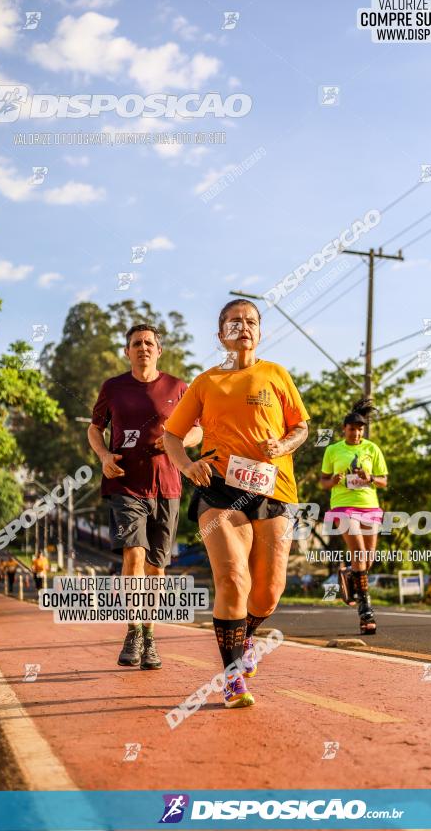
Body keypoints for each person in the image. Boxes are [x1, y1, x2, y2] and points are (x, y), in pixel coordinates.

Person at [163, 299, 309, 709]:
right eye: (233, 322)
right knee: (232, 579)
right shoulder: (206, 382)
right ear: (220, 333)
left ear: (260, 332)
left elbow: (301, 427)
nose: (243, 327)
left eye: (250, 322)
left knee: (267, 593)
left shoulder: (277, 375)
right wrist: (188, 467)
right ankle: (231, 679)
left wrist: (282, 443)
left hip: (274, 490)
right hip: (219, 490)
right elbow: (173, 436)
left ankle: (245, 633)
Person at [88, 324, 202, 671]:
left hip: (167, 485)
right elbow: (95, 427)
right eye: (136, 343)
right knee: (134, 555)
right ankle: (133, 631)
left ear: (159, 350)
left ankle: (150, 636)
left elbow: (198, 428)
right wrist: (105, 457)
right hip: (126, 484)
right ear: (127, 351)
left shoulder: (178, 387)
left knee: (156, 566)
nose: (143, 348)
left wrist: (178, 441)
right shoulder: (113, 387)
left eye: (149, 343)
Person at [320, 399, 388, 635]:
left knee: (366, 561)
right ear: (344, 430)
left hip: (369, 506)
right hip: (343, 507)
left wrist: (369, 477)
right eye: (352, 429)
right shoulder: (333, 450)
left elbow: (384, 481)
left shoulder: (372, 449)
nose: (357, 433)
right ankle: (366, 611)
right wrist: (334, 481)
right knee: (359, 552)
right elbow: (324, 481)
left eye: (360, 429)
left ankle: (349, 573)